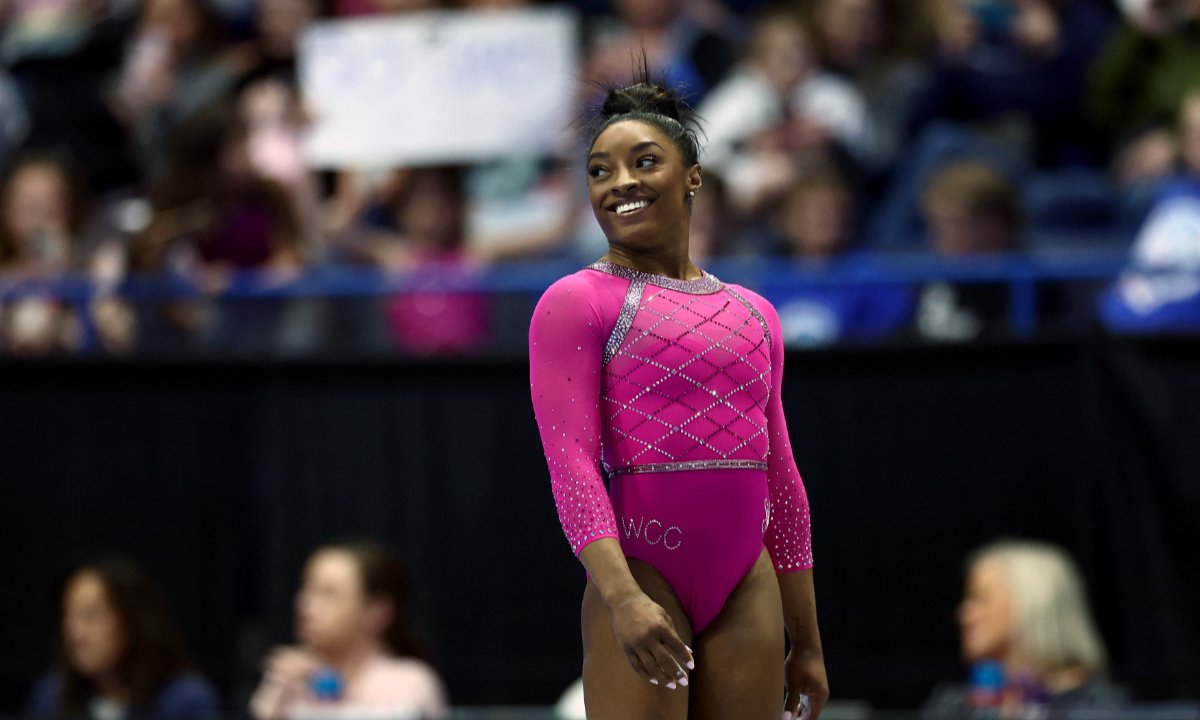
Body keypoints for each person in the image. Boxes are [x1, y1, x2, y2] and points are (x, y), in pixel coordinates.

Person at [528, 66, 828, 720]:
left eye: (643, 162)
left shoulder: (754, 313)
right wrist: (621, 595)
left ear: (693, 176)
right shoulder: (576, 303)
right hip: (641, 567)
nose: (621, 183)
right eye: (600, 171)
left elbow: (782, 477)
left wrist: (807, 639)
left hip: (745, 581)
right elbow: (571, 462)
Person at [922, 539, 1124, 719]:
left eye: (980, 599)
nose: (964, 615)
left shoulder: (1099, 708)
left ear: (1032, 604)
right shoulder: (953, 707)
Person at [248, 541, 447, 720]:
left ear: (378, 611)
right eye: (307, 589)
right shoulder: (290, 682)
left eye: (329, 594)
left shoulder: (409, 683)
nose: (305, 605)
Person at [26, 556, 220, 720]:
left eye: (90, 615)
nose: (75, 633)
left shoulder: (183, 700)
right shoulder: (52, 696)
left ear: (132, 621)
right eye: (68, 617)